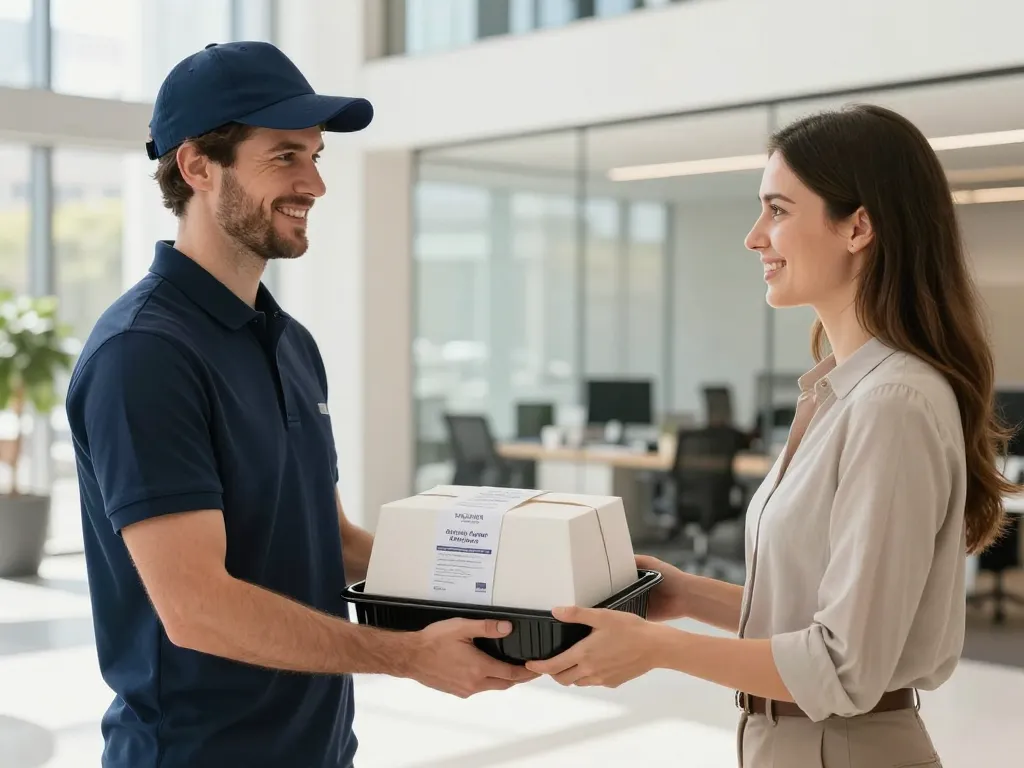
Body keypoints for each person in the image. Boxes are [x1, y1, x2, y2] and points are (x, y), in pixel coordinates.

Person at [65, 41, 533, 768]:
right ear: (196, 166)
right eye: (285, 156)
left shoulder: (289, 343)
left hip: (317, 749)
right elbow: (195, 608)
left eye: (317, 156)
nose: (314, 183)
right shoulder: (144, 355)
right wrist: (411, 657)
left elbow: (329, 538)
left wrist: (506, 596)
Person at [527, 104, 1021, 767]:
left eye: (778, 210)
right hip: (791, 741)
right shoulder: (836, 391)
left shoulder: (892, 403)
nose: (754, 237)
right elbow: (817, 617)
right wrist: (688, 595)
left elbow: (843, 667)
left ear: (859, 226)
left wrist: (654, 650)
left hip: (840, 745)